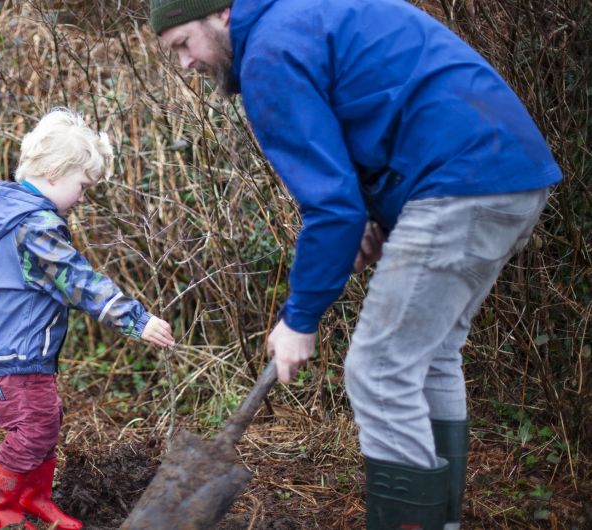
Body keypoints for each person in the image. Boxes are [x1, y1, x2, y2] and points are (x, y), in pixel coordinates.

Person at [148, 0, 561, 528]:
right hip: (506, 171)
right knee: (428, 357)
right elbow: (378, 123)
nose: (185, 63)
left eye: (184, 43)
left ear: (222, 14)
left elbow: (330, 207)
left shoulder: (270, 52)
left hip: (458, 182)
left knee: (380, 370)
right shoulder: (303, 18)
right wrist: (374, 217)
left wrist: (300, 318)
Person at [0, 108, 176, 529]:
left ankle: (32, 500)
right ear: (52, 171)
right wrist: (135, 319)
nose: (82, 197)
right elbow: (76, 280)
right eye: (81, 185)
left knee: (46, 422)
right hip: (17, 352)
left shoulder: (19, 216)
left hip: (25, 350)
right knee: (32, 430)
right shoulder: (35, 226)